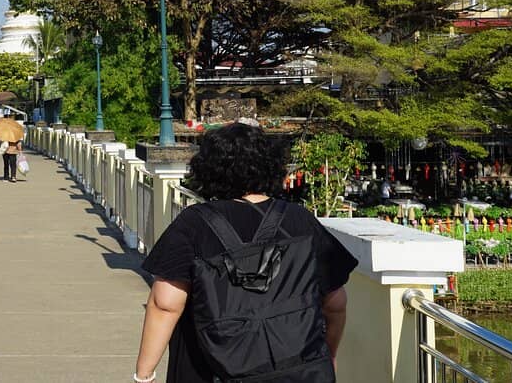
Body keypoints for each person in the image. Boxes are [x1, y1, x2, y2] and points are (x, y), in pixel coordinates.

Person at [134, 123, 358, 382]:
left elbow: (165, 304)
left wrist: (144, 375)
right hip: (298, 371)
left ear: (209, 169)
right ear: (270, 166)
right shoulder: (300, 221)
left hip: (209, 371)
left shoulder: (194, 224)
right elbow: (336, 303)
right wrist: (324, 358)